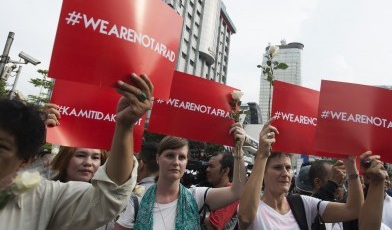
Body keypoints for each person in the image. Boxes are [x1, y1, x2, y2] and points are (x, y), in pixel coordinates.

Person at [0, 73, 153, 229]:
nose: (88, 163)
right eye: (80, 155)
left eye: (95, 157)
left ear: (25, 160)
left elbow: (109, 196)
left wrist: (125, 126)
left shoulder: (44, 198)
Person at [238, 119, 365, 230]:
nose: (285, 173)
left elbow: (354, 210)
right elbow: (245, 218)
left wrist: (351, 166)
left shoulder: (304, 205)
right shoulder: (252, 208)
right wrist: (262, 155)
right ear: (263, 174)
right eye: (277, 168)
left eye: (288, 168)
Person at [116, 125, 247, 230]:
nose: (176, 162)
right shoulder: (138, 201)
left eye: (182, 157)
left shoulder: (196, 197)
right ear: (157, 158)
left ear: (186, 162)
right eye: (170, 155)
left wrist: (239, 152)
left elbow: (237, 191)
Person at [203, 152, 239, 230]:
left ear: (225, 170)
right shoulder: (212, 189)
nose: (207, 169)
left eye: (211, 166)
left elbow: (212, 225)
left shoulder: (231, 193)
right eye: (207, 166)